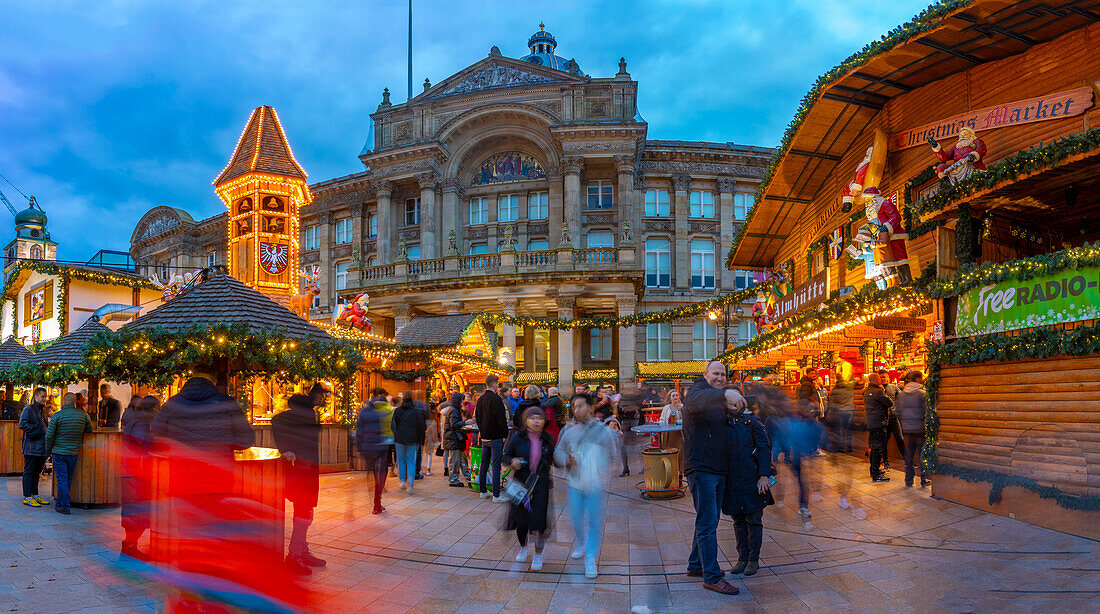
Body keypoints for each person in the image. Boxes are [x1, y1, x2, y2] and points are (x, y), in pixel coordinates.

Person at [682, 361, 743, 595]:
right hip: (702, 468)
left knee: (707, 520)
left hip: (716, 467)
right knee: (708, 524)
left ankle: (696, 565)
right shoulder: (696, 393)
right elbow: (697, 402)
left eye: (723, 375)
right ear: (705, 374)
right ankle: (711, 576)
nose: (720, 377)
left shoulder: (715, 397)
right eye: (716, 373)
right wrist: (725, 393)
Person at [554, 393, 615, 579]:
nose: (576, 409)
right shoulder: (569, 430)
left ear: (590, 407)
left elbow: (612, 453)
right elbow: (558, 452)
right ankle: (581, 543)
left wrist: (604, 469)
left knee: (594, 522)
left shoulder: (602, 431)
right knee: (576, 518)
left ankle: (590, 559)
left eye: (580, 405)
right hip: (575, 484)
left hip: (594, 485)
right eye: (574, 406)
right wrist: (566, 460)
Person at [272, 383, 328, 575]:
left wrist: (286, 447)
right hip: (302, 472)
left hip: (305, 470)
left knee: (304, 512)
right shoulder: (302, 415)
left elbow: (276, 420)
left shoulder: (303, 415)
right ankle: (294, 556)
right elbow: (276, 420)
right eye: (321, 396)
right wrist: (286, 448)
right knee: (304, 514)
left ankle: (301, 552)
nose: (322, 399)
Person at [721, 390, 776, 577]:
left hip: (752, 479)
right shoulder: (724, 423)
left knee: (753, 520)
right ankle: (742, 557)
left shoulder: (753, 422)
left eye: (735, 402)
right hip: (733, 480)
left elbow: (764, 449)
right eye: (729, 402)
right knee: (738, 520)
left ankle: (753, 559)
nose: (732, 405)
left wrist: (764, 475)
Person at [504, 406, 555, 571]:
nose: (536, 421)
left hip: (540, 485)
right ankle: (523, 547)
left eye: (539, 418)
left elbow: (554, 459)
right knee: (521, 520)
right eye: (532, 418)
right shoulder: (517, 437)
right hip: (520, 485)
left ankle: (538, 554)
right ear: (525, 420)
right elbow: (505, 455)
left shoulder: (548, 438)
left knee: (539, 520)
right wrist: (512, 462)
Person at [120, 395, 158, 559]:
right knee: (137, 511)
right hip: (135, 473)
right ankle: (129, 546)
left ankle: (129, 545)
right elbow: (147, 446)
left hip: (129, 471)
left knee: (133, 510)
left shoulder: (135, 419)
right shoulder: (142, 424)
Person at [45, 393, 93, 515]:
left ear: (64, 401)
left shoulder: (57, 415)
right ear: (74, 402)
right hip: (74, 452)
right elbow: (89, 430)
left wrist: (48, 450)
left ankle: (65, 506)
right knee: (68, 478)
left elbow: (49, 435)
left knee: (61, 479)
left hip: (59, 452)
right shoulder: (83, 414)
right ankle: (60, 503)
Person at [475, 374, 509, 503]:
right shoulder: (496, 399)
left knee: (484, 464)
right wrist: (504, 434)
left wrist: (482, 431)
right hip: (495, 437)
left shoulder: (481, 399)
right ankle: (496, 495)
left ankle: (483, 491)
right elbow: (501, 419)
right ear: (495, 384)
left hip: (484, 437)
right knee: (496, 465)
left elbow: (478, 417)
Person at [355, 396, 391, 514]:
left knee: (370, 474)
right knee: (379, 476)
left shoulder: (364, 412)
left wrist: (360, 446)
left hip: (367, 448)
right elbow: (391, 428)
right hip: (381, 448)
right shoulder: (385, 410)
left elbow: (359, 431)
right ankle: (377, 504)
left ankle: (374, 499)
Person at [896, 371, 930, 488]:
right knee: (922, 454)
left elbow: (897, 412)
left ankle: (908, 480)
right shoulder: (922, 394)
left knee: (909, 455)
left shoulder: (902, 394)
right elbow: (927, 411)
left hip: (907, 429)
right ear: (918, 379)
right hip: (920, 428)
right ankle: (923, 479)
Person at [18, 387, 50, 508]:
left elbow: (44, 425)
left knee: (37, 472)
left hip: (42, 446)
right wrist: (40, 429)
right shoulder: (28, 409)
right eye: (42, 396)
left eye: (45, 396)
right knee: (29, 472)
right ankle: (27, 497)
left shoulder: (43, 410)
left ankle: (35, 494)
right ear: (36, 397)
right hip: (31, 446)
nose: (44, 399)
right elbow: (23, 425)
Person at [391, 390, 425, 495]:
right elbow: (420, 427)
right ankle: (410, 484)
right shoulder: (416, 412)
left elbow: (393, 425)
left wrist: (396, 435)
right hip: (412, 440)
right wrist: (421, 440)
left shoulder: (397, 411)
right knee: (411, 461)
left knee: (401, 461)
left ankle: (402, 482)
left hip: (400, 439)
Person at [863, 373, 892, 483]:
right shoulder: (879, 391)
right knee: (878, 449)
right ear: (876, 380)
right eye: (880, 379)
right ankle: (876, 474)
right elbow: (889, 403)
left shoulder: (866, 392)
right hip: (879, 423)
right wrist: (883, 391)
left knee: (874, 448)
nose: (881, 381)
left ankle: (873, 471)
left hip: (871, 423)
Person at [877, 369, 906, 472]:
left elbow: (902, 395)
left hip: (894, 417)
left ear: (888, 377)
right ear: (878, 378)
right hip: (883, 419)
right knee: (884, 441)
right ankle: (886, 462)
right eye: (881, 377)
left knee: (900, 438)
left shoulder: (893, 387)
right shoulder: (877, 389)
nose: (883, 379)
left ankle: (907, 460)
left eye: (884, 377)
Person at [443, 393, 470, 487]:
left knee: (462, 459)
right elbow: (454, 424)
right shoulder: (453, 410)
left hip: (456, 439)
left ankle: (469, 478)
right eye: (461, 400)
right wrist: (465, 422)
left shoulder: (455, 410)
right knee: (455, 460)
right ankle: (453, 480)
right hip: (454, 439)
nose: (463, 402)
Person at [826, 377, 855, 453]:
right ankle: (849, 447)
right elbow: (857, 380)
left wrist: (831, 411)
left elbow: (832, 402)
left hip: (839, 412)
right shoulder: (849, 388)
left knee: (840, 430)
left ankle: (841, 448)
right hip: (849, 411)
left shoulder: (834, 390)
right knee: (848, 430)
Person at [602, 408, 630, 478]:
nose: (613, 426)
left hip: (618, 446)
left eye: (615, 424)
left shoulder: (618, 431)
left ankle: (625, 469)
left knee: (622, 454)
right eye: (612, 424)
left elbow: (621, 435)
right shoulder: (606, 430)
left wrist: (617, 430)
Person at [423, 405, 440, 476]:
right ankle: (428, 469)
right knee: (429, 455)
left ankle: (421, 470)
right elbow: (434, 435)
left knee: (423, 455)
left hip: (423, 440)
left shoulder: (423, 422)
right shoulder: (433, 423)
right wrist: (436, 442)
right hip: (430, 441)